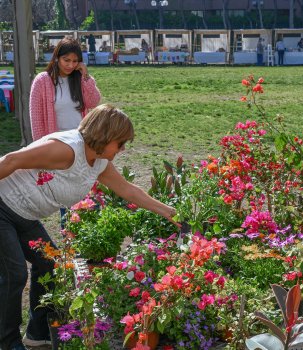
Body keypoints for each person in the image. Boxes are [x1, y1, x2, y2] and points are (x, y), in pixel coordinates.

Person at [0, 104, 179, 350]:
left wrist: (170, 212)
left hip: (25, 215)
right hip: (2, 205)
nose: (123, 149)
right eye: (121, 143)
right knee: (14, 274)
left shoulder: (98, 162)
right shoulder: (66, 150)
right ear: (105, 136)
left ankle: (37, 333)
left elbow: (128, 190)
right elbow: (11, 160)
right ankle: (7, 343)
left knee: (50, 265)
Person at [29, 37, 101, 141]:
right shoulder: (42, 81)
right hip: (54, 142)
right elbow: (36, 121)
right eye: (66, 60)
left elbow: (93, 102)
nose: (70, 65)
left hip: (81, 139)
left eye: (75, 61)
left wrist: (86, 76)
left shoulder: (81, 79)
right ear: (57, 58)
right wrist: (42, 146)